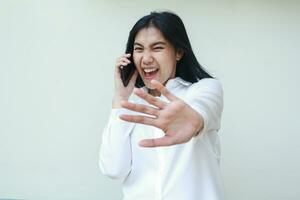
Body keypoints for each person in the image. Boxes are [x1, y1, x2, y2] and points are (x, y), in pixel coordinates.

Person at [99, 11, 224, 200]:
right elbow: (113, 169)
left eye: (157, 48)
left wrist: (194, 122)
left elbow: (202, 110)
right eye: (139, 49)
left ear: (179, 52)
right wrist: (120, 99)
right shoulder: (133, 106)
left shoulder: (204, 89)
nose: (146, 59)